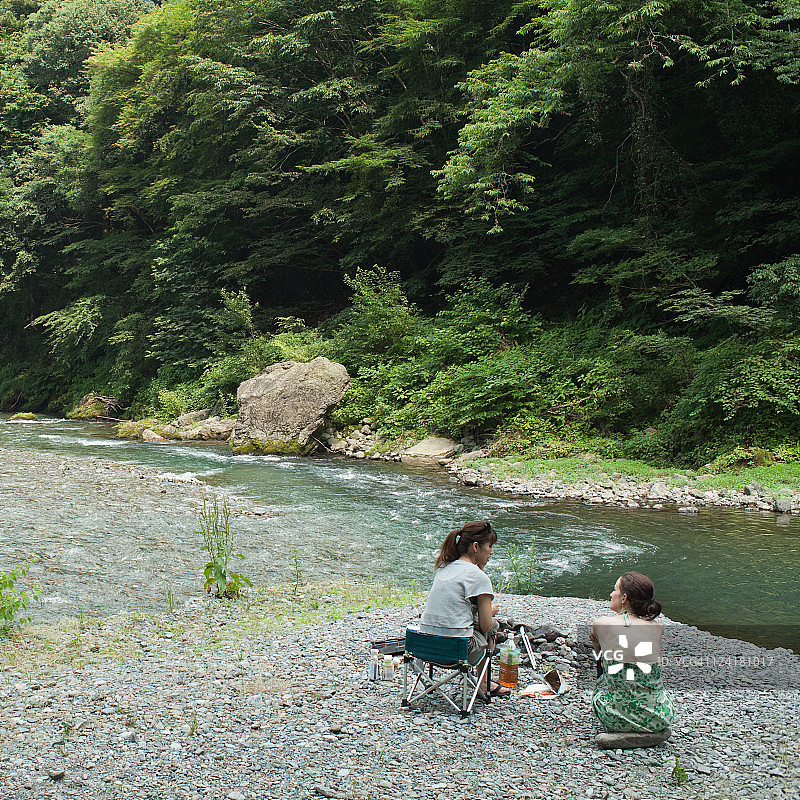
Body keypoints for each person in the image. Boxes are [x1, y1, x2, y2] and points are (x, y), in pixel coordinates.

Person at [419, 520, 508, 697]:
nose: (491, 552)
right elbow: (485, 627)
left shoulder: (444, 567)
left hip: (424, 647)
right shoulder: (478, 576)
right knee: (494, 627)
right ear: (476, 547)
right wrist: (489, 612)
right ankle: (483, 683)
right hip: (456, 651)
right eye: (489, 546)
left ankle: (428, 683)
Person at [590, 572, 674, 746]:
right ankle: (649, 734)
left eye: (615, 590)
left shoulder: (601, 623)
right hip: (658, 717)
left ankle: (623, 730)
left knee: (605, 673)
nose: (611, 594)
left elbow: (598, 658)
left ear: (624, 598)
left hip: (614, 718)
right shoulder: (657, 628)